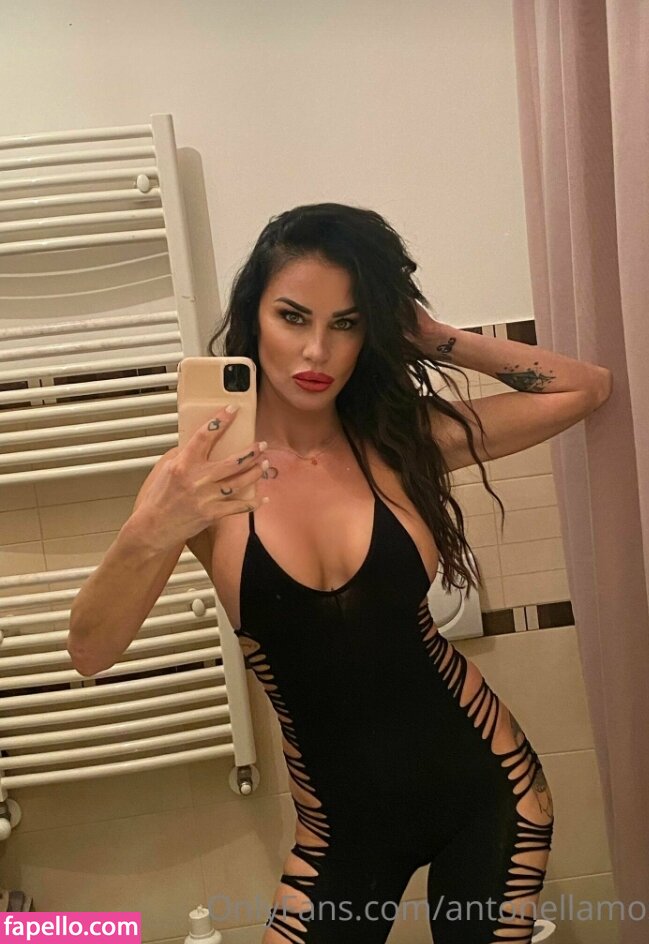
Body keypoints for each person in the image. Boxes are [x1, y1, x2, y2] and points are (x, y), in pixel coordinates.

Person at [70, 203, 610, 943]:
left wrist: (434, 336)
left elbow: (586, 389)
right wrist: (150, 530)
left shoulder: (403, 441)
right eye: (292, 316)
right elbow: (90, 652)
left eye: (347, 323)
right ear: (252, 317)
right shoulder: (197, 484)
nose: (317, 350)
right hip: (340, 835)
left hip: (487, 792)